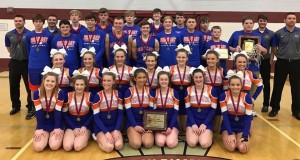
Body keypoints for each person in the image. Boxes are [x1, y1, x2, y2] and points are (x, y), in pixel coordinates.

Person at [269, 12, 300, 120]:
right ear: (284, 20)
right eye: (289, 18)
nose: (292, 20)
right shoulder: (278, 33)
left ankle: (297, 110)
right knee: (278, 86)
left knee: (297, 88)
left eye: (294, 18)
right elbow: (274, 48)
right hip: (282, 63)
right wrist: (281, 56)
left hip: (296, 63)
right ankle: (274, 108)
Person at [5, 15, 34, 119]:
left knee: (29, 86)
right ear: (14, 22)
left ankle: (30, 107)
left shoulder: (30, 34)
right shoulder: (9, 34)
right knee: (13, 86)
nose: (18, 22)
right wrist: (16, 54)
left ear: (24, 22)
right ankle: (15, 106)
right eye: (16, 21)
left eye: (20, 21)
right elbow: (9, 48)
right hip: (14, 63)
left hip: (27, 63)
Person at [219, 70, 253, 153]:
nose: (235, 87)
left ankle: (242, 136)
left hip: (242, 125)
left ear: (241, 85)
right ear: (229, 85)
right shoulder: (223, 96)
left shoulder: (247, 97)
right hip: (229, 126)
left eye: (238, 85)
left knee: (243, 149)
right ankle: (232, 136)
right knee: (231, 147)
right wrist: (230, 133)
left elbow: (248, 118)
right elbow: (225, 116)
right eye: (232, 85)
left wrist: (245, 135)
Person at [184, 66, 218, 148]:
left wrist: (205, 124)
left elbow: (213, 110)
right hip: (193, 120)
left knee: (204, 144)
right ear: (193, 78)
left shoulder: (211, 90)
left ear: (203, 77)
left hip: (206, 120)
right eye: (196, 77)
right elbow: (188, 109)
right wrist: (193, 124)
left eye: (200, 77)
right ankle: (197, 134)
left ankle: (208, 133)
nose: (198, 79)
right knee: (192, 143)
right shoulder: (188, 90)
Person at [32, 67, 64, 152]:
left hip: (57, 122)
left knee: (54, 146)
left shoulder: (60, 93)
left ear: (56, 83)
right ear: (43, 81)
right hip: (44, 122)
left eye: (53, 81)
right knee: (38, 148)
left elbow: (58, 111)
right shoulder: (36, 93)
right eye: (47, 81)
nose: (50, 83)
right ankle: (46, 137)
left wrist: (57, 127)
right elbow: (38, 112)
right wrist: (39, 128)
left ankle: (54, 137)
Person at [92, 70, 123, 153]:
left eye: (109, 80)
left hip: (114, 127)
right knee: (109, 147)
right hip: (101, 128)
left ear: (113, 82)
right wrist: (106, 132)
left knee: (118, 146)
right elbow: (96, 118)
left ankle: (111, 135)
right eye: (104, 80)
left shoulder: (118, 94)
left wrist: (116, 129)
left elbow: (120, 114)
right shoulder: (97, 96)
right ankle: (97, 137)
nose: (106, 83)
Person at [124, 68, 155, 149]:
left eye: (144, 77)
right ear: (135, 78)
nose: (142, 80)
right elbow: (128, 111)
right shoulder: (129, 91)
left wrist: (149, 126)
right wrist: (135, 125)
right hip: (132, 122)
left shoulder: (150, 91)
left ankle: (143, 135)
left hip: (146, 122)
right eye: (139, 78)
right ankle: (133, 135)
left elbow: (151, 110)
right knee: (136, 144)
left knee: (148, 144)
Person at [62, 72, 93, 151]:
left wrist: (85, 126)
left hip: (85, 125)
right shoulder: (68, 96)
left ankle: (87, 136)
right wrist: (74, 128)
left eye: (82, 84)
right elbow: (65, 114)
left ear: (85, 85)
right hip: (71, 125)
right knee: (67, 147)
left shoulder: (90, 96)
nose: (79, 87)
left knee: (77, 147)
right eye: (77, 84)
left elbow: (93, 114)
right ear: (73, 85)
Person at [151, 68, 179, 148]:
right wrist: (158, 127)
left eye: (166, 79)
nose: (164, 81)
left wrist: (170, 127)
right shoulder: (155, 93)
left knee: (170, 144)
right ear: (158, 81)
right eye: (161, 79)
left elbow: (175, 112)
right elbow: (153, 111)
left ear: (169, 80)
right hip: (159, 124)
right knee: (160, 143)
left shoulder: (174, 93)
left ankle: (174, 135)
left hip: (172, 123)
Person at [26, 14, 53, 96]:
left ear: (43, 23)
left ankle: (45, 106)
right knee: (33, 88)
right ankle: (35, 106)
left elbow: (51, 50)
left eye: (40, 21)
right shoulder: (29, 35)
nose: (38, 23)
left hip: (46, 66)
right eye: (36, 21)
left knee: (46, 87)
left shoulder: (49, 35)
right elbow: (28, 50)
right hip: (33, 66)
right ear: (33, 23)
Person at [253, 15, 274, 113]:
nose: (262, 22)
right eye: (261, 20)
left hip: (265, 61)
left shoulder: (271, 34)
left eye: (264, 21)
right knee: (252, 82)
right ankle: (250, 102)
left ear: (267, 22)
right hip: (254, 61)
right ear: (257, 21)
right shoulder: (252, 33)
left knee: (266, 83)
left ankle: (266, 104)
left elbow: (273, 49)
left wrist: (271, 60)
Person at [231, 52, 263, 116]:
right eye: (239, 62)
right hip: (232, 102)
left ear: (247, 63)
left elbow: (260, 86)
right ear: (235, 63)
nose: (242, 64)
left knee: (247, 121)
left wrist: (253, 98)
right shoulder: (230, 74)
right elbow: (225, 89)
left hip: (246, 102)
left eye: (244, 62)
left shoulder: (250, 74)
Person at [203, 50, 228, 132]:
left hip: (218, 92)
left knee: (217, 111)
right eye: (208, 59)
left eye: (213, 59)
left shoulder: (222, 70)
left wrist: (224, 97)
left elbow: (225, 86)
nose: (210, 61)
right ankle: (207, 126)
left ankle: (216, 128)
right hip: (206, 92)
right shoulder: (203, 70)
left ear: (217, 60)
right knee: (207, 110)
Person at [170, 44, 192, 131]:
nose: (181, 59)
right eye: (179, 57)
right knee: (176, 109)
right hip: (175, 91)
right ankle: (177, 127)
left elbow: (192, 83)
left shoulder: (190, 69)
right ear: (176, 58)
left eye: (183, 57)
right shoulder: (171, 68)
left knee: (185, 109)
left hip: (186, 91)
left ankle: (184, 127)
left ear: (187, 58)